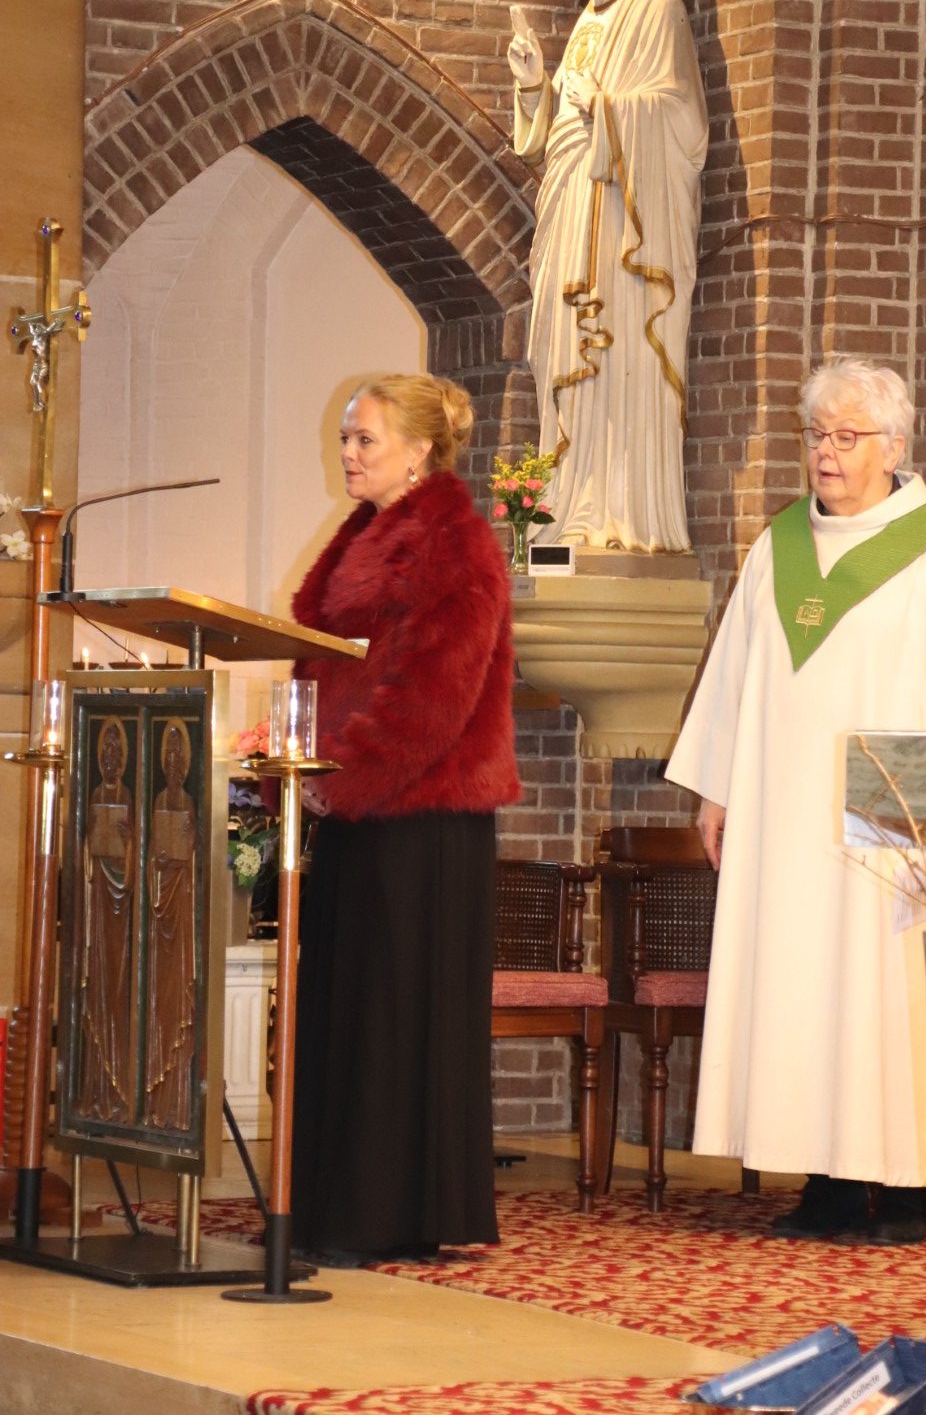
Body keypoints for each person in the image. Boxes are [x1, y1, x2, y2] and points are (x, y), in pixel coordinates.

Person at [667, 358, 926, 1243]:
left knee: (882, 993)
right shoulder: (779, 545)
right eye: (817, 435)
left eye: (847, 436)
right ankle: (825, 1184)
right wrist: (718, 790)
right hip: (784, 812)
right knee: (798, 982)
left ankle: (905, 1191)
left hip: (891, 818)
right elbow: (736, 673)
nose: (826, 452)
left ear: (894, 447)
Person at [289, 372, 520, 1267]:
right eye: (346, 438)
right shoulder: (366, 531)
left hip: (423, 816)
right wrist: (299, 755)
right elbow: (320, 657)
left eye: (364, 439)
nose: (348, 454)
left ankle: (386, 1211)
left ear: (420, 450)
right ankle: (337, 1203)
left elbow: (436, 692)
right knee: (350, 1008)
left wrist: (343, 777)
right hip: (358, 804)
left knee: (393, 1015)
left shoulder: (454, 541)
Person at [508, 0, 707, 554]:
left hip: (624, 227)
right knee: (561, 347)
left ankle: (619, 511)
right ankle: (565, 508)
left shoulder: (659, 14)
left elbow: (684, 123)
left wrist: (605, 107)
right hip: (569, 208)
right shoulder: (587, 23)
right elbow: (560, 124)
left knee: (617, 350)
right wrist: (534, 88)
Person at [78, 717, 134, 1122]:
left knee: (120, 990)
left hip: (124, 907)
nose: (111, 758)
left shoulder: (128, 795)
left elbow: (139, 855)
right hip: (98, 900)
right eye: (105, 751)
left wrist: (130, 844)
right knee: (97, 991)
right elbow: (83, 857)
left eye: (116, 751)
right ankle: (95, 1089)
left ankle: (122, 1089)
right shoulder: (95, 793)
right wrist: (88, 841)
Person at [145, 719, 198, 1133]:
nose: (175, 765)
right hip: (160, 902)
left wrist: (189, 846)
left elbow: (196, 854)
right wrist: (153, 862)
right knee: (156, 992)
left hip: (183, 905)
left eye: (181, 758)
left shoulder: (189, 803)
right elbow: (147, 854)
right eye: (170, 758)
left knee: (180, 990)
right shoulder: (159, 798)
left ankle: (179, 1101)